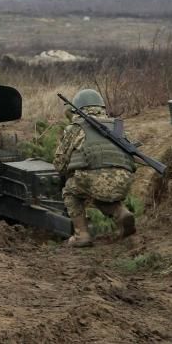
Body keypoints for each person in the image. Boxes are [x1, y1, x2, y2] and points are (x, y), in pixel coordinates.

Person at [53, 89, 137, 247]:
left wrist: (71, 171)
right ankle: (121, 212)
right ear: (102, 107)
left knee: (70, 191)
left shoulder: (75, 128)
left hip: (93, 181)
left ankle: (81, 235)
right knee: (98, 191)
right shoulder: (118, 127)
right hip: (124, 181)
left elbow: (59, 165)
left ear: (77, 109)